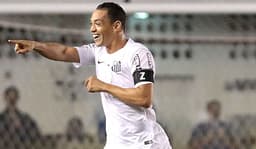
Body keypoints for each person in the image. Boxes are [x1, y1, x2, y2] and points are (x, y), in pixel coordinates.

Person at [8, 2, 172, 149]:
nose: (92, 29)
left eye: (98, 24)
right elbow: (65, 52)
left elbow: (144, 98)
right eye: (91, 24)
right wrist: (36, 45)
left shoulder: (138, 53)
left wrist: (103, 86)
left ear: (116, 26)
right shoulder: (97, 51)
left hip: (145, 143)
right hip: (117, 143)